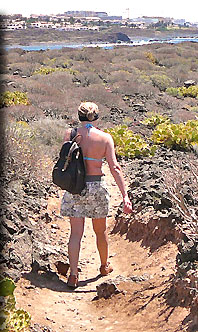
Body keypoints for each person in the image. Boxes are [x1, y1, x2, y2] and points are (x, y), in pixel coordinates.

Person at [60, 102, 133, 288]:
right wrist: (125, 195)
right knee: (100, 231)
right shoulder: (105, 138)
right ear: (96, 116)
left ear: (79, 116)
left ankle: (73, 274)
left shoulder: (70, 134)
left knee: (75, 233)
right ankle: (103, 266)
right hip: (96, 186)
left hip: (75, 187)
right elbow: (115, 168)